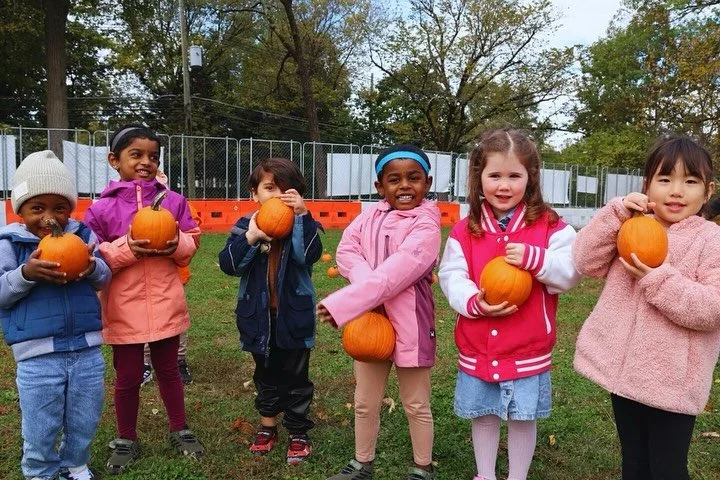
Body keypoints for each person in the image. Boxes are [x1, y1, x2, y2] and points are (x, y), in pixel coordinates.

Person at [573, 135, 720, 480]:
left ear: (708, 191)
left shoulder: (711, 240)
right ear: (647, 185)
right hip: (623, 374)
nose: (676, 191)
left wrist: (657, 280)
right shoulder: (629, 225)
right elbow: (585, 260)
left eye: (690, 181)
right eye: (665, 179)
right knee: (635, 464)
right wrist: (617, 211)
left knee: (667, 470)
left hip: (672, 381)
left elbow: (712, 309)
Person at [437, 128, 580, 480]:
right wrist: (474, 301)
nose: (504, 185)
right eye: (495, 175)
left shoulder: (551, 227)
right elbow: (451, 275)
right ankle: (485, 474)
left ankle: (517, 477)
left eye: (514, 176)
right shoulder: (465, 230)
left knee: (522, 417)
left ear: (530, 178)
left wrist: (536, 259)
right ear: (479, 177)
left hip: (526, 345)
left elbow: (569, 273)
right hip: (478, 344)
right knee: (484, 414)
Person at [83, 124, 205, 475]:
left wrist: (176, 245)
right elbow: (93, 257)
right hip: (124, 305)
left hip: (166, 300)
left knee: (169, 370)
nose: (146, 162)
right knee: (129, 375)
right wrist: (127, 249)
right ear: (114, 160)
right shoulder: (102, 208)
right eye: (136, 155)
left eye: (153, 156)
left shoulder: (174, 201)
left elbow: (191, 243)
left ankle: (179, 428)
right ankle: (125, 437)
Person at [317, 144, 441, 480]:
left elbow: (397, 274)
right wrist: (364, 289)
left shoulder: (427, 226)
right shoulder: (368, 216)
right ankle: (362, 463)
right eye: (394, 179)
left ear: (427, 183)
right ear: (379, 187)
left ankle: (422, 467)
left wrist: (348, 301)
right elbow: (346, 252)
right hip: (369, 323)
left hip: (410, 324)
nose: (404, 186)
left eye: (413, 178)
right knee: (365, 401)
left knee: (415, 402)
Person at [0, 151, 111, 480]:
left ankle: (75, 463)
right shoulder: (10, 244)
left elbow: (105, 277)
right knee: (40, 422)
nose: (49, 217)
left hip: (87, 349)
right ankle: (40, 472)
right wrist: (26, 274)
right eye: (38, 207)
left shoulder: (83, 237)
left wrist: (91, 266)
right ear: (20, 209)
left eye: (59, 207)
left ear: (71, 208)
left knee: (85, 416)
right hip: (37, 355)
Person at [218, 157, 323, 465]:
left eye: (287, 189)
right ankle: (267, 426)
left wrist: (302, 217)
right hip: (257, 318)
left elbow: (308, 256)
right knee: (265, 374)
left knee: (295, 377)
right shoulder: (244, 227)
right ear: (254, 194)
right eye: (269, 188)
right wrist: (252, 237)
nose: (278, 195)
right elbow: (229, 265)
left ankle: (298, 431)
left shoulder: (304, 225)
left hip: (294, 317)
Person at [141, 171, 200, 386]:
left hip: (174, 275)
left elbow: (193, 234)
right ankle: (146, 362)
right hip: (144, 277)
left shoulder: (178, 203)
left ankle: (179, 359)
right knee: (146, 317)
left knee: (176, 320)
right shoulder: (139, 208)